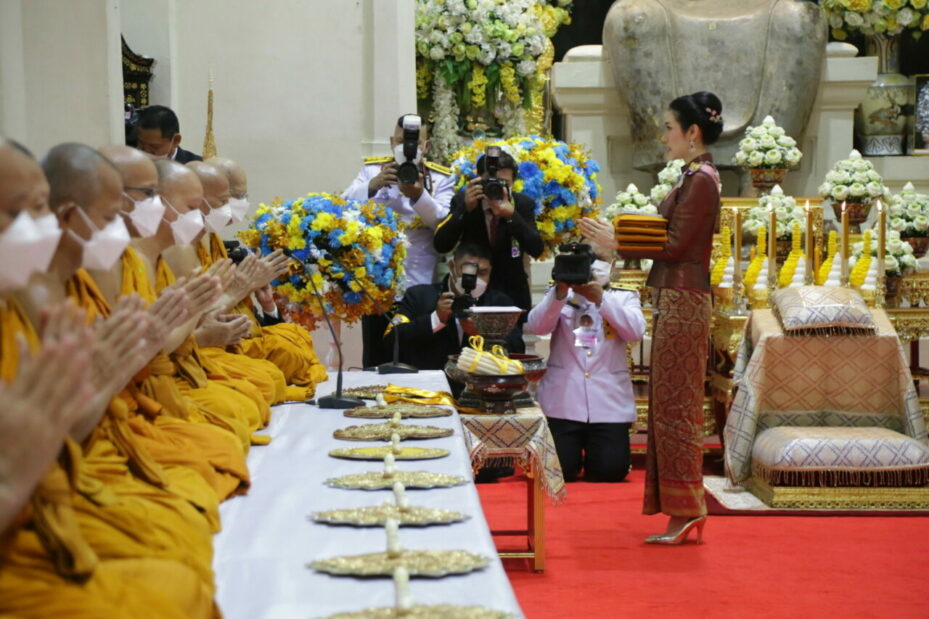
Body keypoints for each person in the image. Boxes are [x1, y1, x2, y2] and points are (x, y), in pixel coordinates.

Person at [580, 91, 723, 544]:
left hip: (685, 301)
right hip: (675, 299)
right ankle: (682, 509)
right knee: (666, 405)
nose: (664, 136)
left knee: (677, 408)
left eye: (668, 127)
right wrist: (619, 235)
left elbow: (677, 246)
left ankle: (687, 508)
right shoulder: (691, 176)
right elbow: (668, 237)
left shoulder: (701, 179)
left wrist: (618, 242)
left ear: (692, 132)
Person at [343, 114, 456, 367]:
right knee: (376, 357)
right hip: (378, 285)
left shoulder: (441, 178)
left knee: (418, 356)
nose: (408, 148)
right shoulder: (372, 170)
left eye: (416, 142)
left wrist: (419, 195)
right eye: (403, 141)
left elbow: (444, 224)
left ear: (426, 147)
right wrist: (372, 187)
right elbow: (342, 207)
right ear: (392, 141)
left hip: (421, 286)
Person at [526, 247, 646, 482]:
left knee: (610, 471)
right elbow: (538, 327)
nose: (590, 267)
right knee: (559, 471)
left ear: (611, 265)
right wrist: (559, 293)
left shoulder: (623, 296)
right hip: (564, 401)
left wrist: (602, 298)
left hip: (608, 403)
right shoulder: (559, 294)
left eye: (598, 260)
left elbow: (635, 332)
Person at [433, 148, 544, 314]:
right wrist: (464, 208)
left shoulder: (522, 204)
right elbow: (441, 245)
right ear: (479, 180)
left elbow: (536, 249)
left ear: (513, 182)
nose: (497, 187)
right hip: (470, 288)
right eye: (491, 181)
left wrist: (511, 216)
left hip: (511, 291)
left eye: (504, 183)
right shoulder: (464, 201)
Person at [391, 242, 524, 377]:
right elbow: (391, 340)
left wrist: (484, 334)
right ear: (452, 266)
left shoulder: (499, 304)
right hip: (429, 389)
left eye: (483, 273)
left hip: (481, 389)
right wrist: (435, 319)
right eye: (469, 272)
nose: (475, 280)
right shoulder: (419, 296)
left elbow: (518, 350)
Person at [135, 105, 203, 163]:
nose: (146, 152)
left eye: (154, 147)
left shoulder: (195, 167)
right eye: (141, 144)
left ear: (176, 140)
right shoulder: (132, 164)